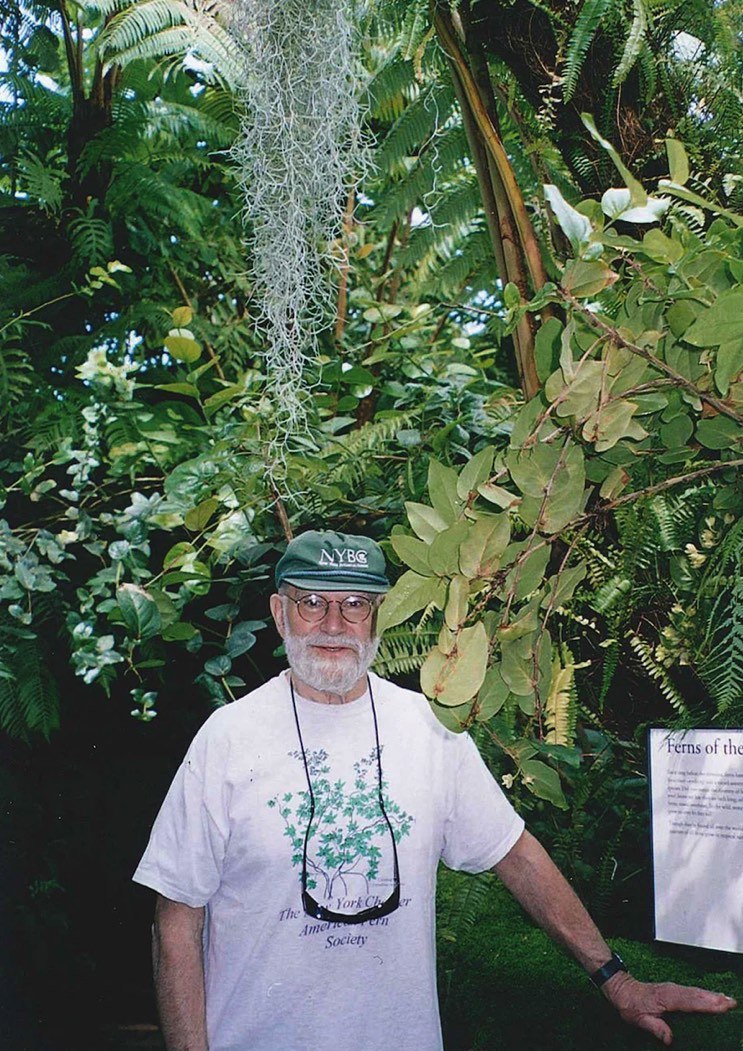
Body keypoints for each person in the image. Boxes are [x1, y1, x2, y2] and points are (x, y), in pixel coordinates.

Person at [134, 530, 736, 1051]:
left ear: (378, 616)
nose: (334, 625)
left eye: (355, 605)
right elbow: (176, 919)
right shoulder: (228, 738)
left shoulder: (428, 724)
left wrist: (617, 980)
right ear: (279, 611)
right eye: (312, 603)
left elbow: (516, 853)